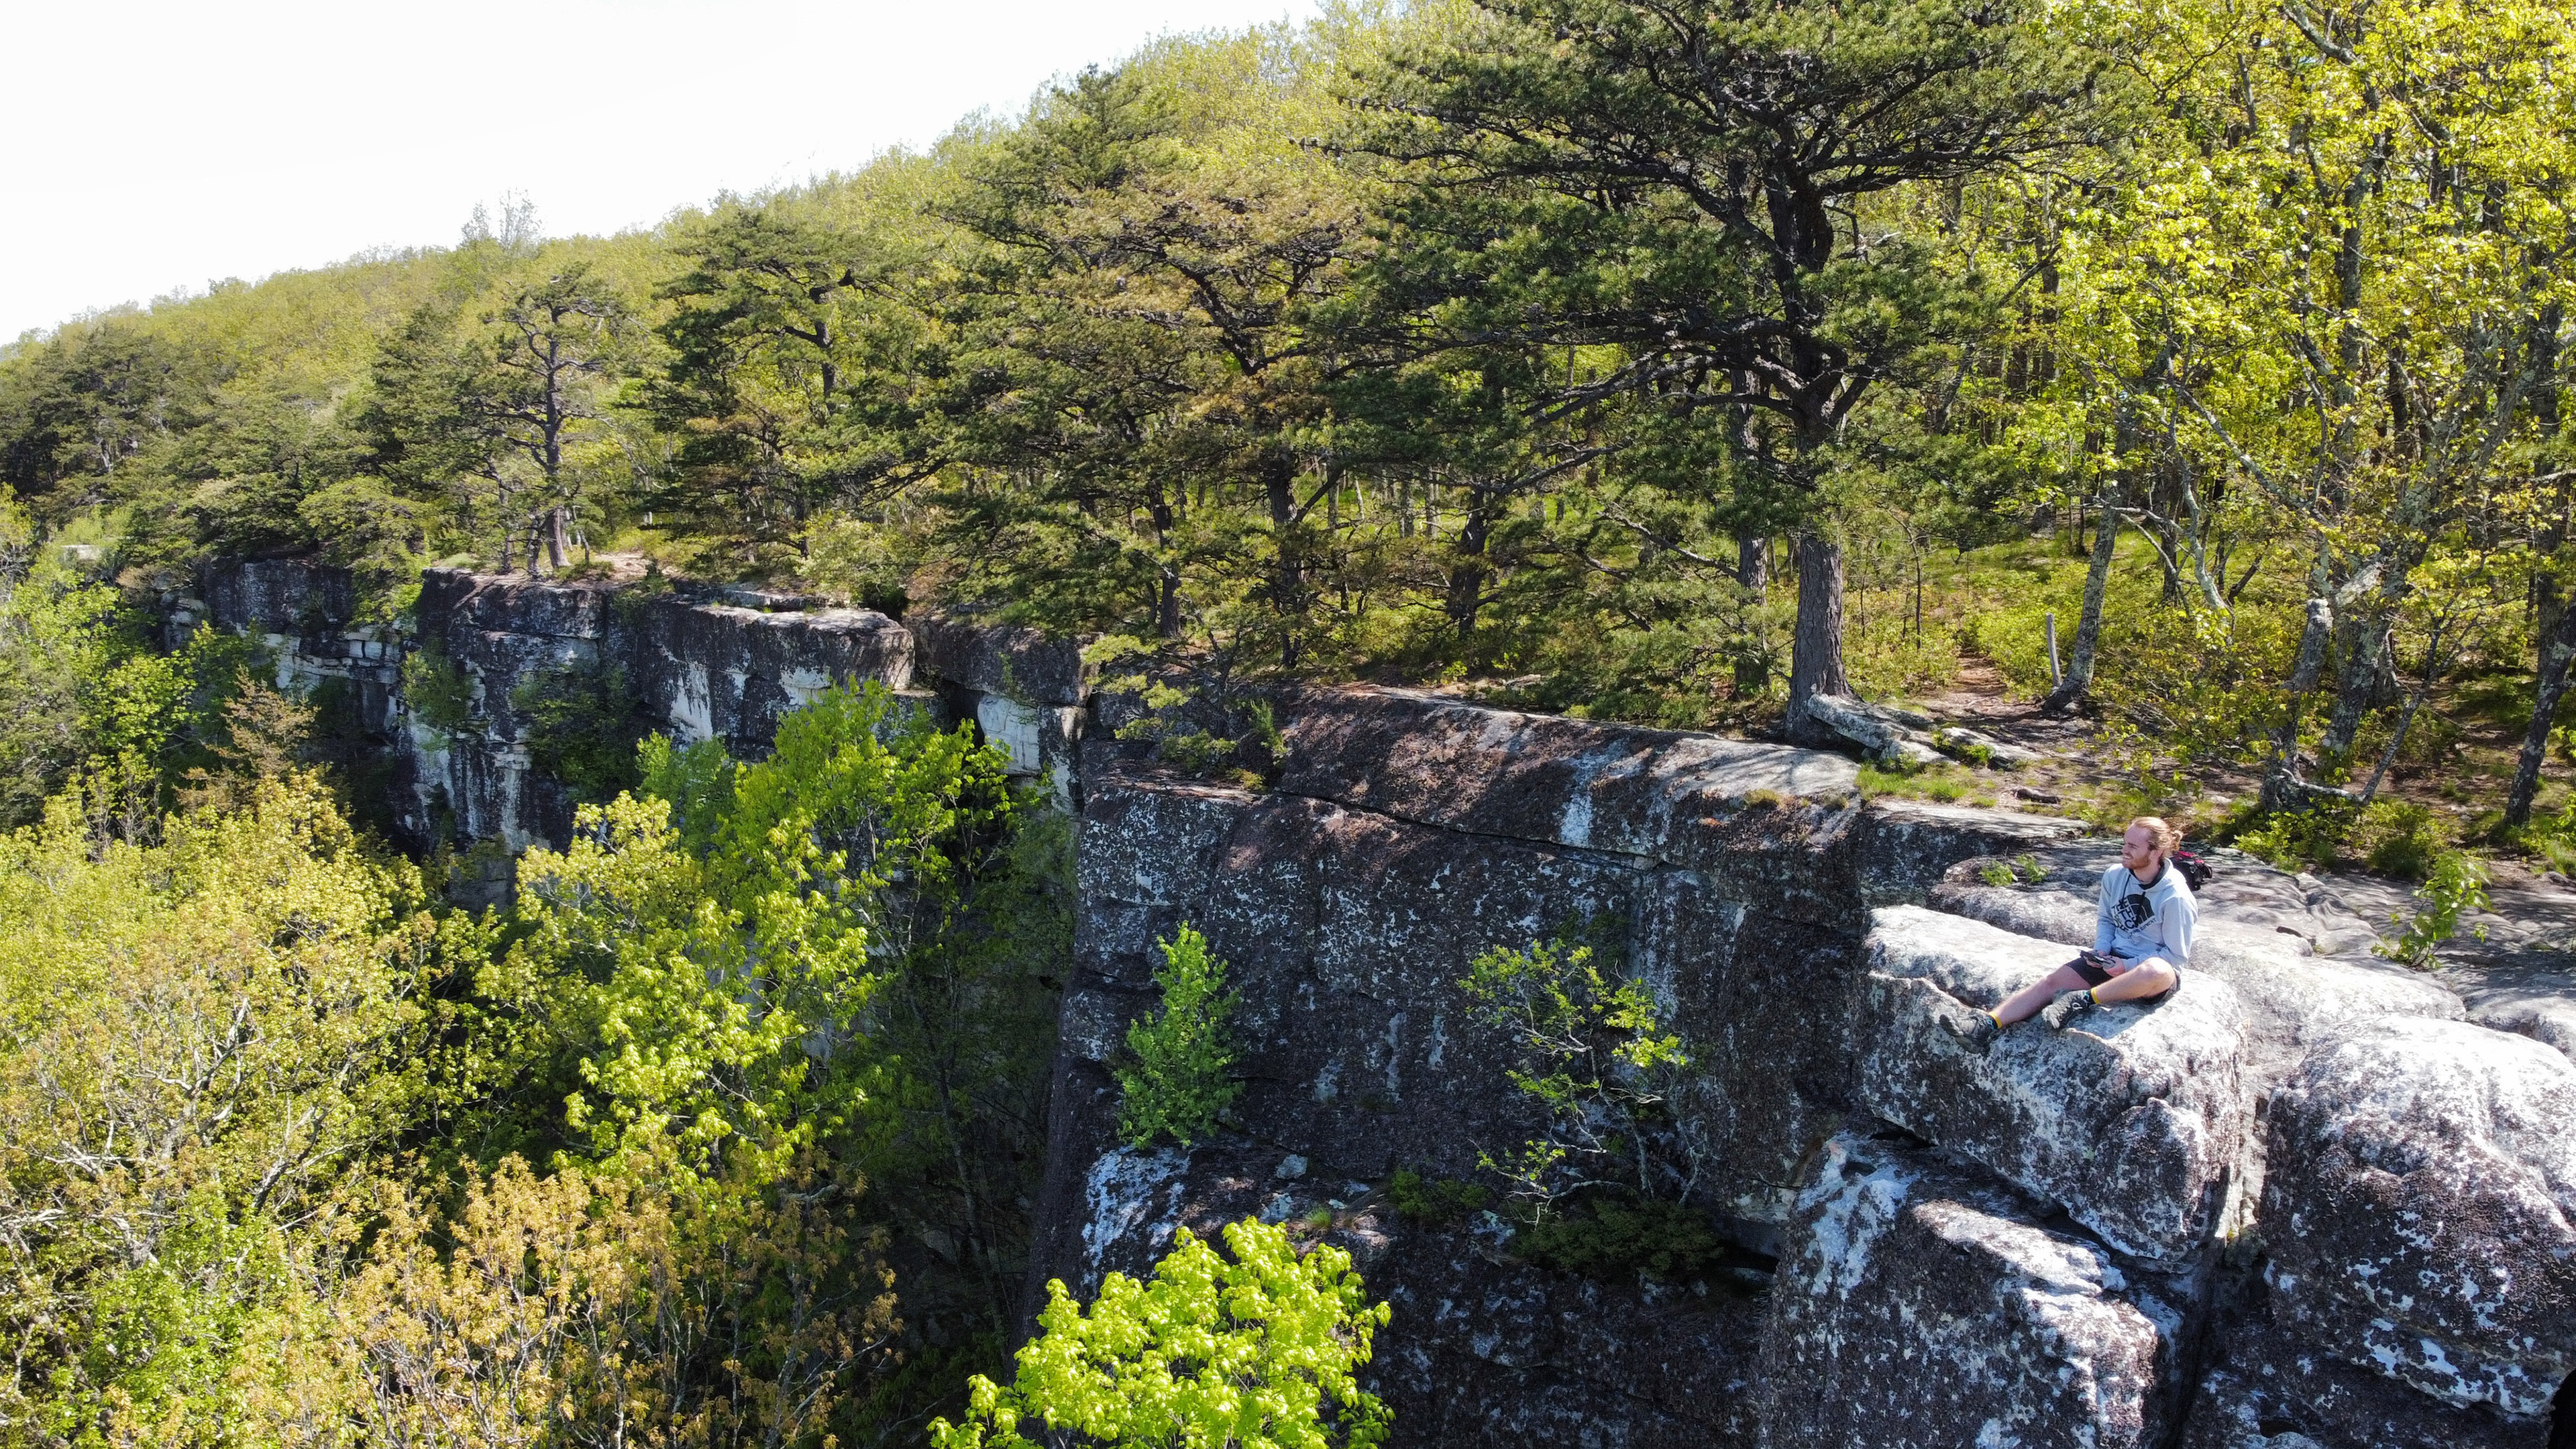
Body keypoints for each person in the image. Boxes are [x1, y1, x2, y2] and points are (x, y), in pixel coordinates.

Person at [1955, 816, 2196, 1052]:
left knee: (2156, 969)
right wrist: (2101, 949)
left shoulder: (2176, 897)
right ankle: (1984, 1025)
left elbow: (2175, 957)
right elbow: (2106, 919)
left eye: (2133, 846)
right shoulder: (2115, 875)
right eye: (2124, 843)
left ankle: (2082, 1000)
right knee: (2051, 982)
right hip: (2112, 958)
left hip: (2148, 975)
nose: (2124, 850)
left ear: (2155, 853)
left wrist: (2128, 965)